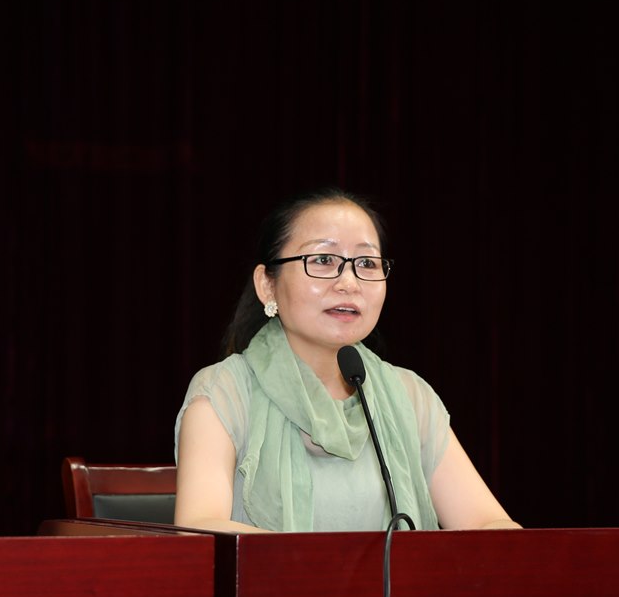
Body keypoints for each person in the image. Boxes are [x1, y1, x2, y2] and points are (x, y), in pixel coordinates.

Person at [174, 187, 521, 533]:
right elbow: (200, 526)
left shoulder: (408, 397)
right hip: (273, 574)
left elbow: (487, 521)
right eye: (323, 260)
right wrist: (321, 564)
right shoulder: (224, 393)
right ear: (267, 285)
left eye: (367, 263)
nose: (349, 282)